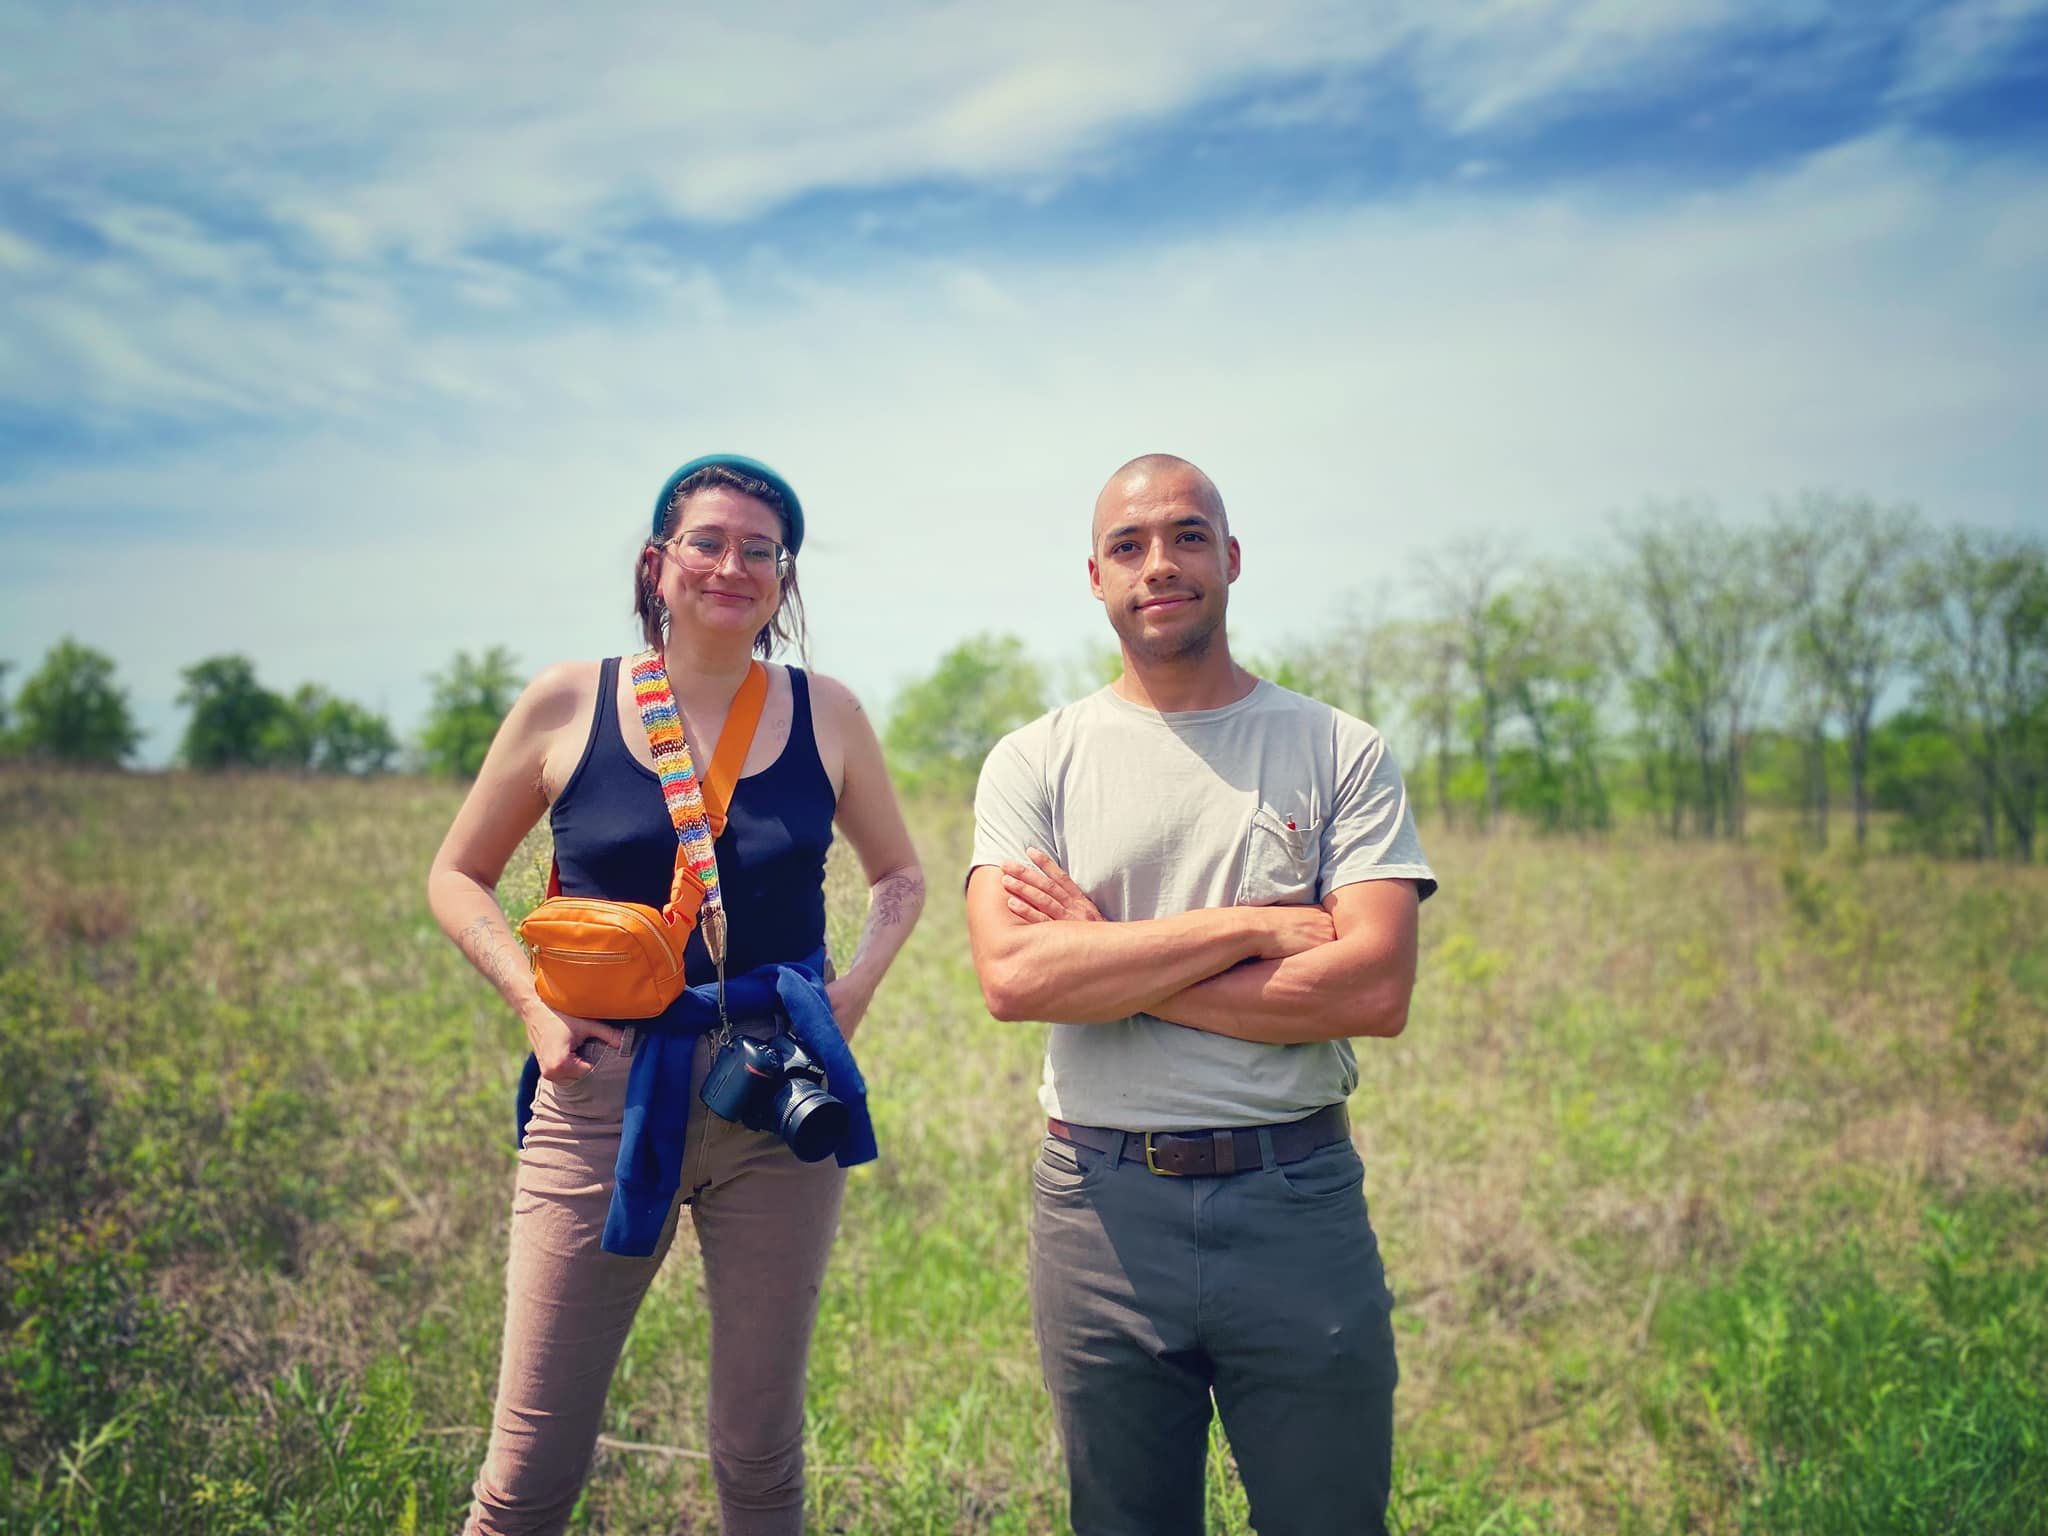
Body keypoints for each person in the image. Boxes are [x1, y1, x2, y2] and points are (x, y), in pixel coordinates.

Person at [427, 454, 924, 1536]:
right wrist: (530, 1003)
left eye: (761, 550)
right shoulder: (568, 699)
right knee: (529, 1466)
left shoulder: (825, 711)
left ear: (783, 583)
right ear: (658, 564)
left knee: (760, 1459)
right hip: (600, 1093)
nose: (732, 565)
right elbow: (453, 874)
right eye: (708, 542)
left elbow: (901, 875)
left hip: (777, 1101)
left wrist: (853, 994)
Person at [964, 454, 1436, 1536]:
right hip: (1098, 1208)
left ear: (1229, 558)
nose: (1157, 565)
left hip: (1293, 1196)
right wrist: (1247, 929)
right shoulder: (1034, 762)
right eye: (1127, 548)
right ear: (1094, 576)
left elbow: (1370, 986)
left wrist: (1111, 963)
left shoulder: (1336, 751)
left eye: (1184, 538)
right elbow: (1014, 977)